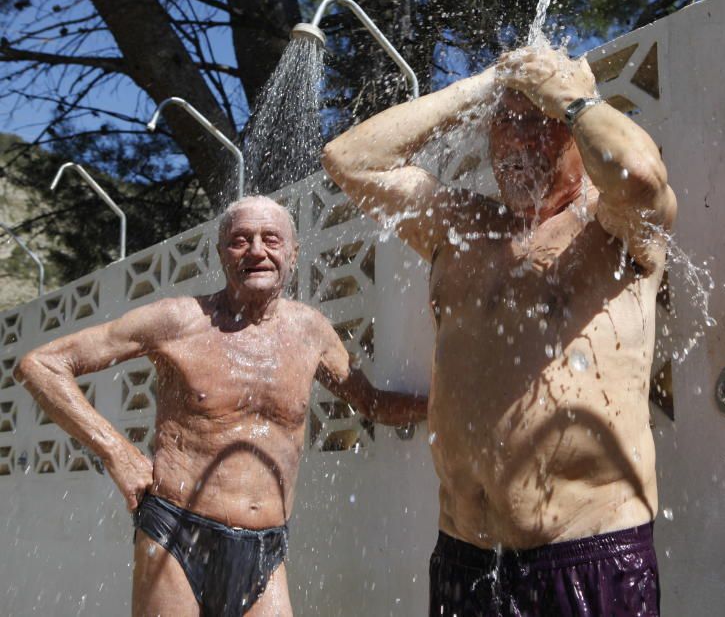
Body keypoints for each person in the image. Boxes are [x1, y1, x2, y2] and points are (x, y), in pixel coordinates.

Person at [322, 45, 677, 616]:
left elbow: (640, 176)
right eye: (507, 123)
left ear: (578, 136)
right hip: (465, 559)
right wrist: (486, 83)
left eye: (544, 125)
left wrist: (573, 97)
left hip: (589, 556)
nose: (521, 142)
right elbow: (349, 159)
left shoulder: (614, 228)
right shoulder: (459, 227)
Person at [15, 196, 426, 617]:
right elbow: (41, 365)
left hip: (267, 545)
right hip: (175, 532)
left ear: (293, 253)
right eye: (239, 240)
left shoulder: (311, 332)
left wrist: (446, 408)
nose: (256, 251)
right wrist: (117, 453)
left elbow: (372, 403)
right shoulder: (178, 321)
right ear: (220, 254)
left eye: (271, 239)